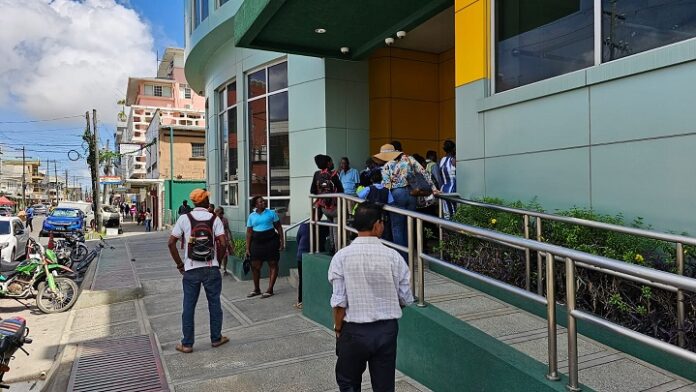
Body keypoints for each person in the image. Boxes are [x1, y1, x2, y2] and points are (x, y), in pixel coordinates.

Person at [329, 202, 414, 392]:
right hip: (386, 331)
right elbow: (406, 297)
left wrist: (338, 329)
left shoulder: (341, 257)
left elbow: (339, 302)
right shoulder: (394, 257)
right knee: (384, 386)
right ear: (376, 225)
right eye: (383, 222)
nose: (383, 226)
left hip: (353, 331)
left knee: (348, 383)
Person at [167, 189, 228, 353]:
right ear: (206, 201)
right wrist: (218, 261)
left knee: (188, 306)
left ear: (194, 202)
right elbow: (223, 243)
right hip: (211, 268)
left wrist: (180, 265)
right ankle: (216, 339)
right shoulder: (214, 218)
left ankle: (187, 344)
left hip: (191, 269)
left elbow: (171, 243)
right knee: (214, 304)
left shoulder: (184, 219)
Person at [375, 144, 436, 252]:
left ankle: (402, 258)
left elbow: (386, 186)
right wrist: (434, 188)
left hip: (396, 195)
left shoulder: (387, 166)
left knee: (397, 228)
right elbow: (424, 172)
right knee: (409, 228)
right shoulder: (409, 159)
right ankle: (409, 257)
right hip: (412, 194)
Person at [245, 195, 285, 298]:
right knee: (255, 266)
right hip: (257, 243)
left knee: (273, 264)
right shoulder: (251, 216)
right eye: (260, 202)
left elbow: (279, 228)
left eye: (263, 201)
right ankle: (257, 289)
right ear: (255, 205)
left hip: (271, 242)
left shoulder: (272, 213)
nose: (263, 203)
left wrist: (282, 241)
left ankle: (270, 289)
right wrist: (247, 248)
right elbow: (249, 232)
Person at [310, 154, 344, 253]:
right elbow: (341, 190)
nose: (333, 163)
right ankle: (337, 250)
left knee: (331, 225)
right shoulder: (333, 174)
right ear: (328, 163)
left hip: (324, 208)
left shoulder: (317, 174)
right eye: (331, 161)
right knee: (337, 228)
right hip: (335, 207)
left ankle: (332, 247)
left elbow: (313, 190)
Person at [358, 170, 393, 241]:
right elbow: (391, 201)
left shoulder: (368, 188)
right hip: (383, 217)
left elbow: (359, 195)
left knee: (371, 234)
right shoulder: (387, 190)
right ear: (381, 179)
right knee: (385, 235)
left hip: (371, 216)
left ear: (371, 179)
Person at [214, 206, 235, 276]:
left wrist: (231, 240)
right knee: (216, 254)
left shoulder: (225, 220)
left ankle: (224, 269)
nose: (221, 214)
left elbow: (228, 229)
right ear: (216, 212)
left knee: (225, 254)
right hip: (216, 240)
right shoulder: (213, 220)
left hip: (224, 239)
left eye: (222, 213)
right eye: (220, 213)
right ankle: (217, 267)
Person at [294, 222, 310, 309]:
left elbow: (298, 239)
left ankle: (300, 301)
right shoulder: (322, 226)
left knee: (302, 279)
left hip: (301, 255)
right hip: (307, 255)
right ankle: (301, 301)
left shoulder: (303, 226)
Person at [439, 140, 457, 219]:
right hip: (452, 188)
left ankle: (446, 229)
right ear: (453, 149)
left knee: (446, 213)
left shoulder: (442, 160)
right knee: (454, 212)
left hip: (444, 188)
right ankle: (453, 230)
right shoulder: (453, 160)